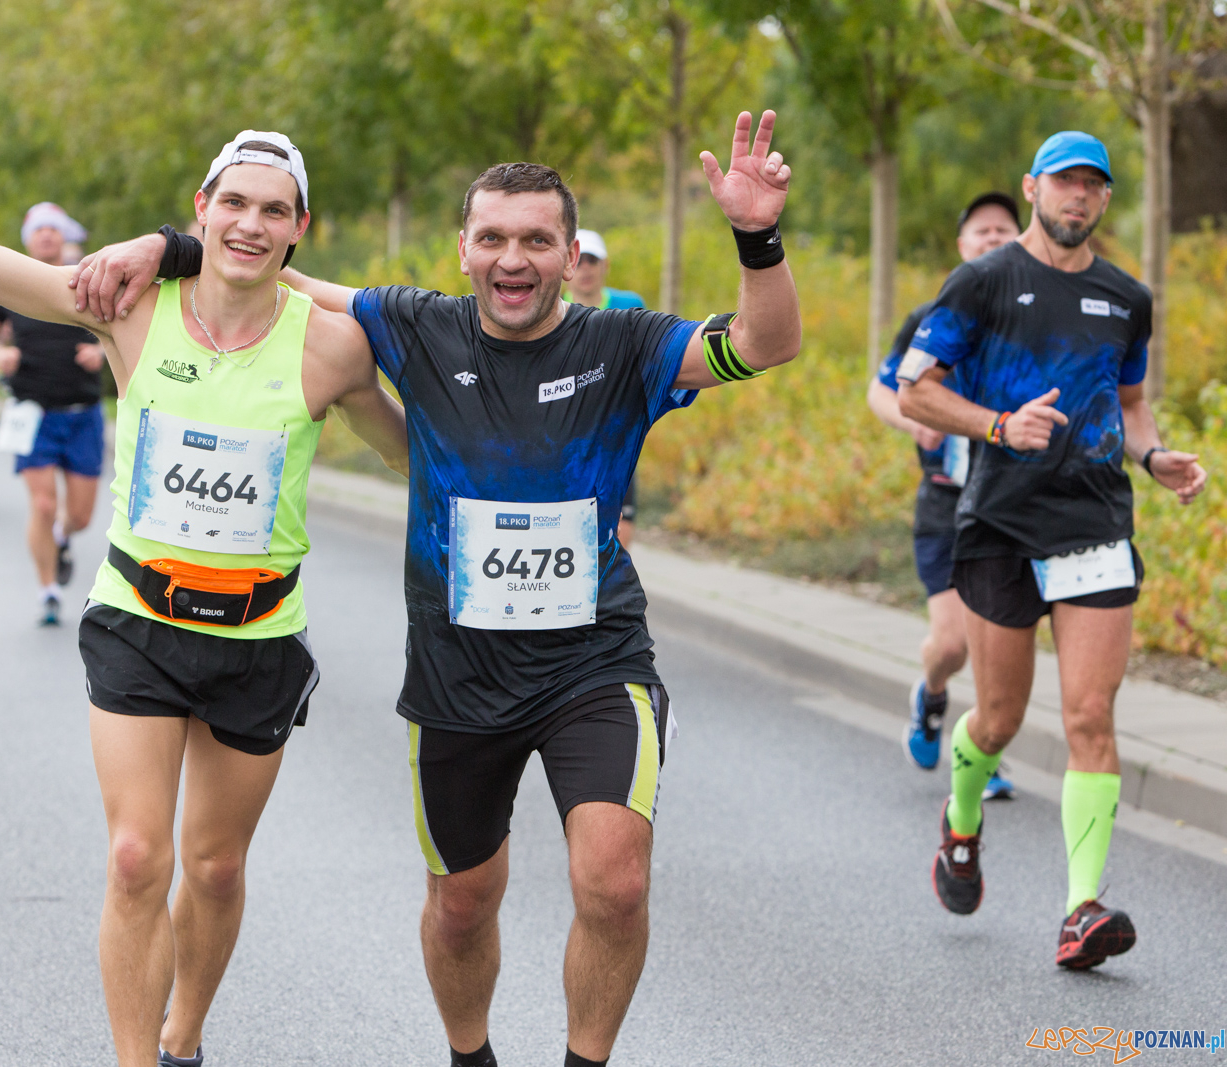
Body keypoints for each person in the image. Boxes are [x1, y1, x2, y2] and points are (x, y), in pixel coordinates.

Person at [81, 110, 801, 1067]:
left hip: (595, 659)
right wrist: (166, 245)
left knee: (615, 881)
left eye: (536, 240)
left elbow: (764, 342)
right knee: (462, 904)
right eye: (493, 238)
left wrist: (757, 237)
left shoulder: (625, 344)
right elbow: (266, 269)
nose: (514, 259)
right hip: (459, 674)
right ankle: (471, 1055)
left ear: (569, 254)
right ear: (463, 249)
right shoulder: (414, 325)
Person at [0, 46, 406, 1067]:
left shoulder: (331, 345)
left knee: (213, 868)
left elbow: (409, 455)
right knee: (134, 857)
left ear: (299, 228)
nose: (250, 223)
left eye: (274, 210)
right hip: (139, 619)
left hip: (258, 632)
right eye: (234, 202)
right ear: (201, 210)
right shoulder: (130, 307)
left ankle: (184, 1035)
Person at [898, 131, 1207, 969]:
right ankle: (962, 821)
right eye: (1065, 182)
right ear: (1033, 187)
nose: (1078, 196)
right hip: (1000, 524)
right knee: (998, 719)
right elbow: (915, 389)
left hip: (1096, 523)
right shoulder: (982, 281)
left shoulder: (1126, 297)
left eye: (1093, 186)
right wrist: (999, 425)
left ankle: (1081, 908)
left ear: (1105, 199)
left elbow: (1130, 402)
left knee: (1089, 716)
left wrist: (1153, 455)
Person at [866, 191, 1021, 799]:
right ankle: (931, 694)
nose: (993, 238)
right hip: (944, 501)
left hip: (1007, 503)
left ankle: (984, 756)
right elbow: (882, 391)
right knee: (953, 644)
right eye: (981, 230)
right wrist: (914, 422)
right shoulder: (933, 317)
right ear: (962, 246)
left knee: (995, 639)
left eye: (1004, 229)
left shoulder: (1031, 320)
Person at [0, 201, 106, 624]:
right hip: (32, 412)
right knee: (44, 504)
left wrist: (103, 352)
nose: (46, 235)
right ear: (28, 239)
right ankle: (48, 590)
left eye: (53, 229)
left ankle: (63, 537)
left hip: (82, 411)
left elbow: (124, 330)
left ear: (64, 236)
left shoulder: (87, 278)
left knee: (80, 517)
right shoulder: (11, 283)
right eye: (39, 229)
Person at [566, 230, 648, 548]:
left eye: (593, 261)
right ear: (567, 265)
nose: (586, 269)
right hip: (568, 434)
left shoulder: (629, 306)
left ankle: (612, 576)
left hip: (616, 431)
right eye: (579, 261)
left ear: (605, 266)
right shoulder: (549, 311)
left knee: (622, 522)